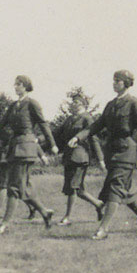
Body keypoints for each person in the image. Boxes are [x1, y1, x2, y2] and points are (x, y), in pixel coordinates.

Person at [69, 70, 137, 240]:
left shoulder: (133, 103)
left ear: (125, 83)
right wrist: (78, 137)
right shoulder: (110, 104)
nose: (114, 83)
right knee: (128, 192)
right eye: (114, 80)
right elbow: (97, 125)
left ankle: (104, 229)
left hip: (126, 152)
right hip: (112, 153)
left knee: (115, 189)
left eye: (117, 81)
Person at [0, 75, 58, 235]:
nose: (15, 87)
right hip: (15, 148)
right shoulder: (13, 105)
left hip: (26, 148)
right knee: (23, 187)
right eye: (15, 84)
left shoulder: (32, 103)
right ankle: (44, 212)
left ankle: (4, 224)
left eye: (18, 84)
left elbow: (43, 124)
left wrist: (53, 144)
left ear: (26, 86)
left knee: (13, 187)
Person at [53, 91, 105, 225]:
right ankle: (98, 204)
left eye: (76, 102)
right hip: (69, 157)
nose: (73, 104)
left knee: (73, 187)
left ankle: (67, 217)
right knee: (78, 190)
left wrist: (100, 159)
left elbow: (94, 139)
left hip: (81, 157)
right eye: (72, 102)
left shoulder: (87, 118)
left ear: (83, 104)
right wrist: (38, 139)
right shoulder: (69, 119)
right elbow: (56, 134)